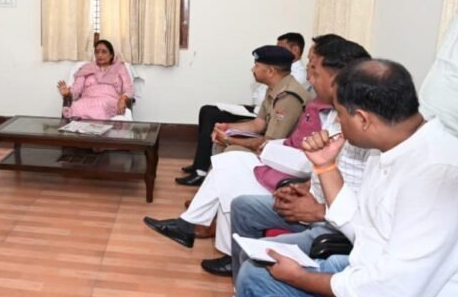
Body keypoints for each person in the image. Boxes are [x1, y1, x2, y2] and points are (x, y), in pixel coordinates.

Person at [229, 59, 458, 297]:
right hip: (367, 276)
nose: (337, 122)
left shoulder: (437, 175)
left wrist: (300, 278)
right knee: (255, 276)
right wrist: (326, 166)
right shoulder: (389, 146)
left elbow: (392, 291)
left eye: (339, 113)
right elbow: (361, 225)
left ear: (362, 119)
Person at [202, 39, 371, 297]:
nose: (309, 79)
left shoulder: (363, 129)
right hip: (314, 204)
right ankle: (239, 295)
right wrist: (304, 188)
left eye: (314, 70)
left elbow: (365, 203)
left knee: (256, 264)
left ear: (338, 77)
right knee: (243, 206)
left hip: (331, 228)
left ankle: (249, 293)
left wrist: (320, 211)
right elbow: (326, 169)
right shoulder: (333, 114)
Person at [144, 40, 369, 256]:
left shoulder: (294, 98)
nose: (310, 76)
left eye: (314, 70)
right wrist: (230, 130)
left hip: (292, 175)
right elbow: (263, 126)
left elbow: (298, 153)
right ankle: (191, 225)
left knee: (229, 166)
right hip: (292, 168)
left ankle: (197, 229)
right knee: (226, 160)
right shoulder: (321, 108)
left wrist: (241, 143)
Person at [177, 42, 311, 187]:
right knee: (222, 143)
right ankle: (217, 192)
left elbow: (270, 143)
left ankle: (221, 193)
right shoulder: (275, 88)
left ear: (270, 71)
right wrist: (227, 127)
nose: (252, 69)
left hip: (286, 156)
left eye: (257, 65)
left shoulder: (288, 97)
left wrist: (230, 140)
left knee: (232, 150)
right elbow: (258, 124)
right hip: (274, 147)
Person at [57, 40, 134, 120]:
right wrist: (68, 93)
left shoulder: (120, 68)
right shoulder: (86, 68)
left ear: (111, 55)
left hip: (108, 100)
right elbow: (77, 89)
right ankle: (79, 127)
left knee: (101, 106)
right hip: (87, 100)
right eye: (97, 52)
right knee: (76, 106)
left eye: (104, 52)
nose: (99, 55)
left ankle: (95, 127)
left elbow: (128, 89)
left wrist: (123, 99)